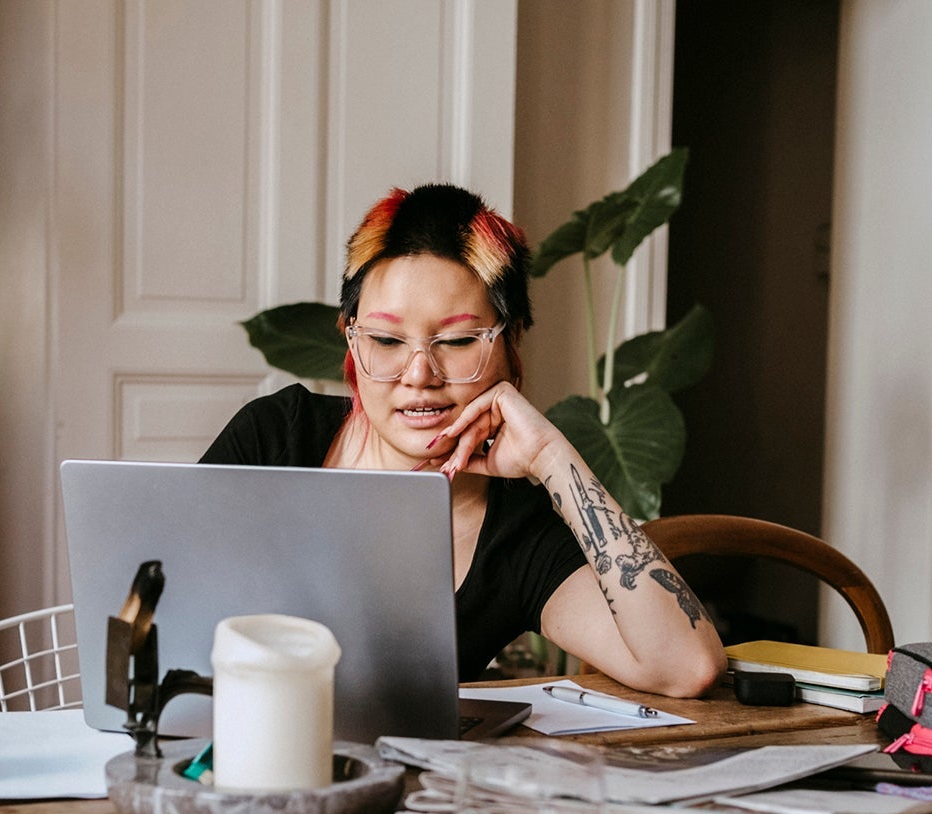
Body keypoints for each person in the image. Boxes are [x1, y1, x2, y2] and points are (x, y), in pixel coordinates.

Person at [202, 183, 724, 696]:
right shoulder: (275, 438)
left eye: (455, 341)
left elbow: (685, 666)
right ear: (351, 338)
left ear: (510, 341)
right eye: (385, 340)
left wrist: (552, 457)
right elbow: (152, 612)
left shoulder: (519, 529)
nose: (419, 374)